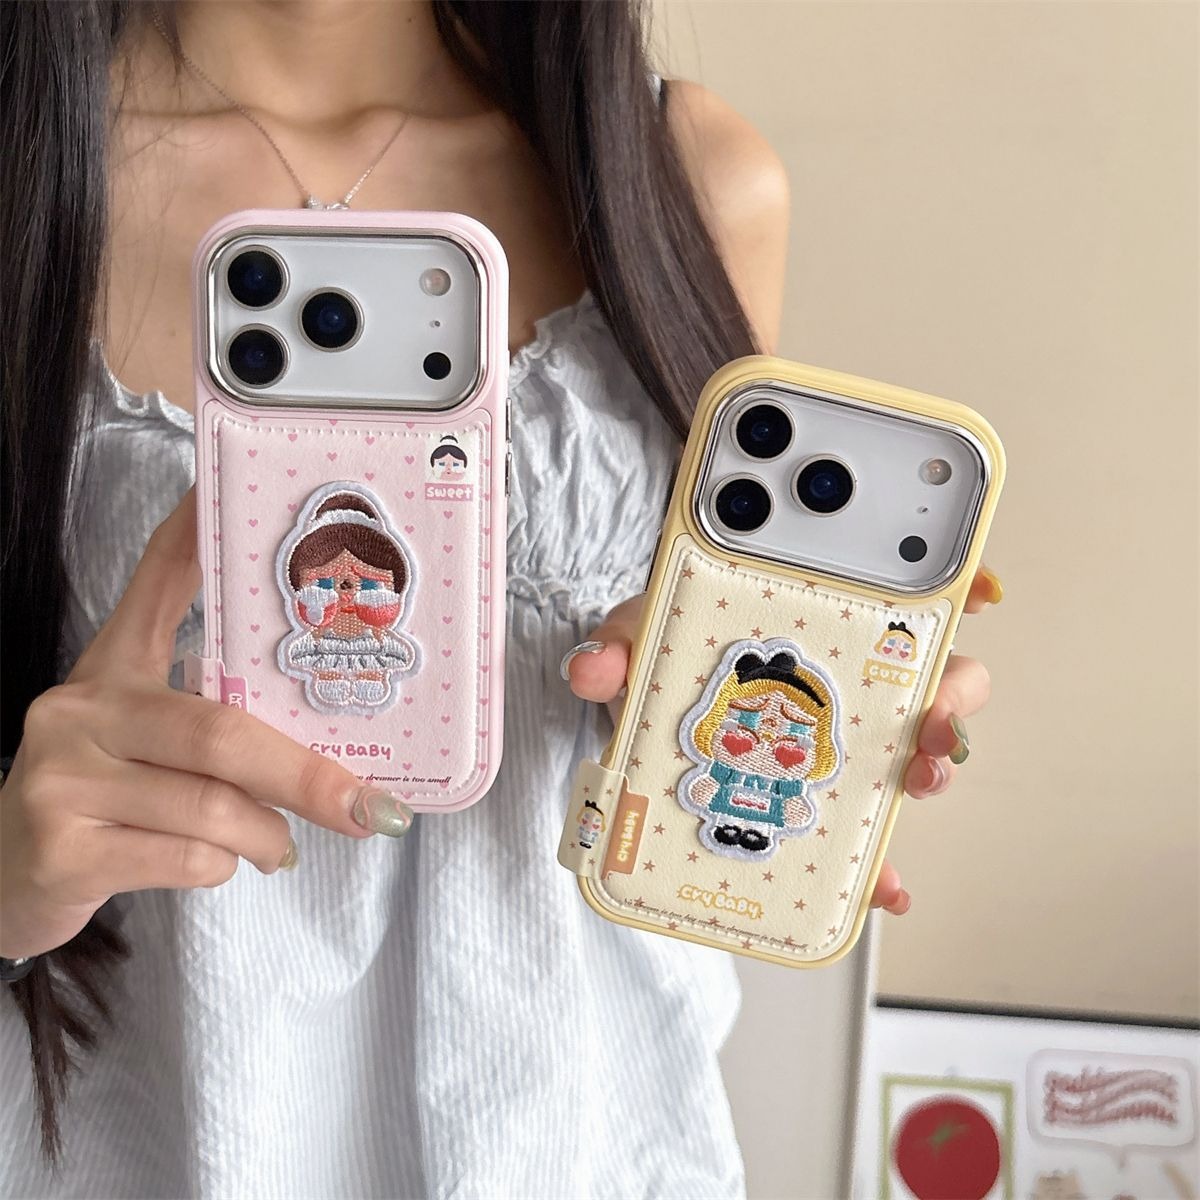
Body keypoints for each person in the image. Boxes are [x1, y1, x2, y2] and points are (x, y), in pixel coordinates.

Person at [0, 2, 999, 1195]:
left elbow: (683, 764)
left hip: (588, 1146)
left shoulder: (687, 177)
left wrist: (753, 715)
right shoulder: (26, 178)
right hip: (142, 1145)